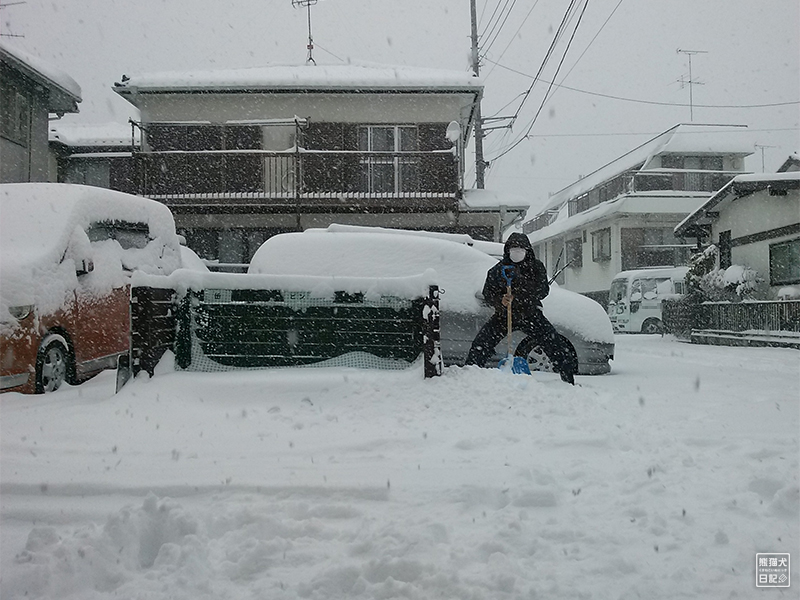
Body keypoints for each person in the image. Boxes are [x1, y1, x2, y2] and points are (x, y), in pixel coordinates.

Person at [465, 233, 577, 384]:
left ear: (527, 250)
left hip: (530, 314)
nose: (517, 252)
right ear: (508, 250)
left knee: (553, 343)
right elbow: (488, 292)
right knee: (482, 342)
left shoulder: (536, 268)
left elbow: (543, 291)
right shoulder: (498, 270)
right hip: (504, 315)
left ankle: (568, 380)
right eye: (513, 248)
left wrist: (519, 295)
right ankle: (470, 375)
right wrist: (500, 300)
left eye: (520, 249)